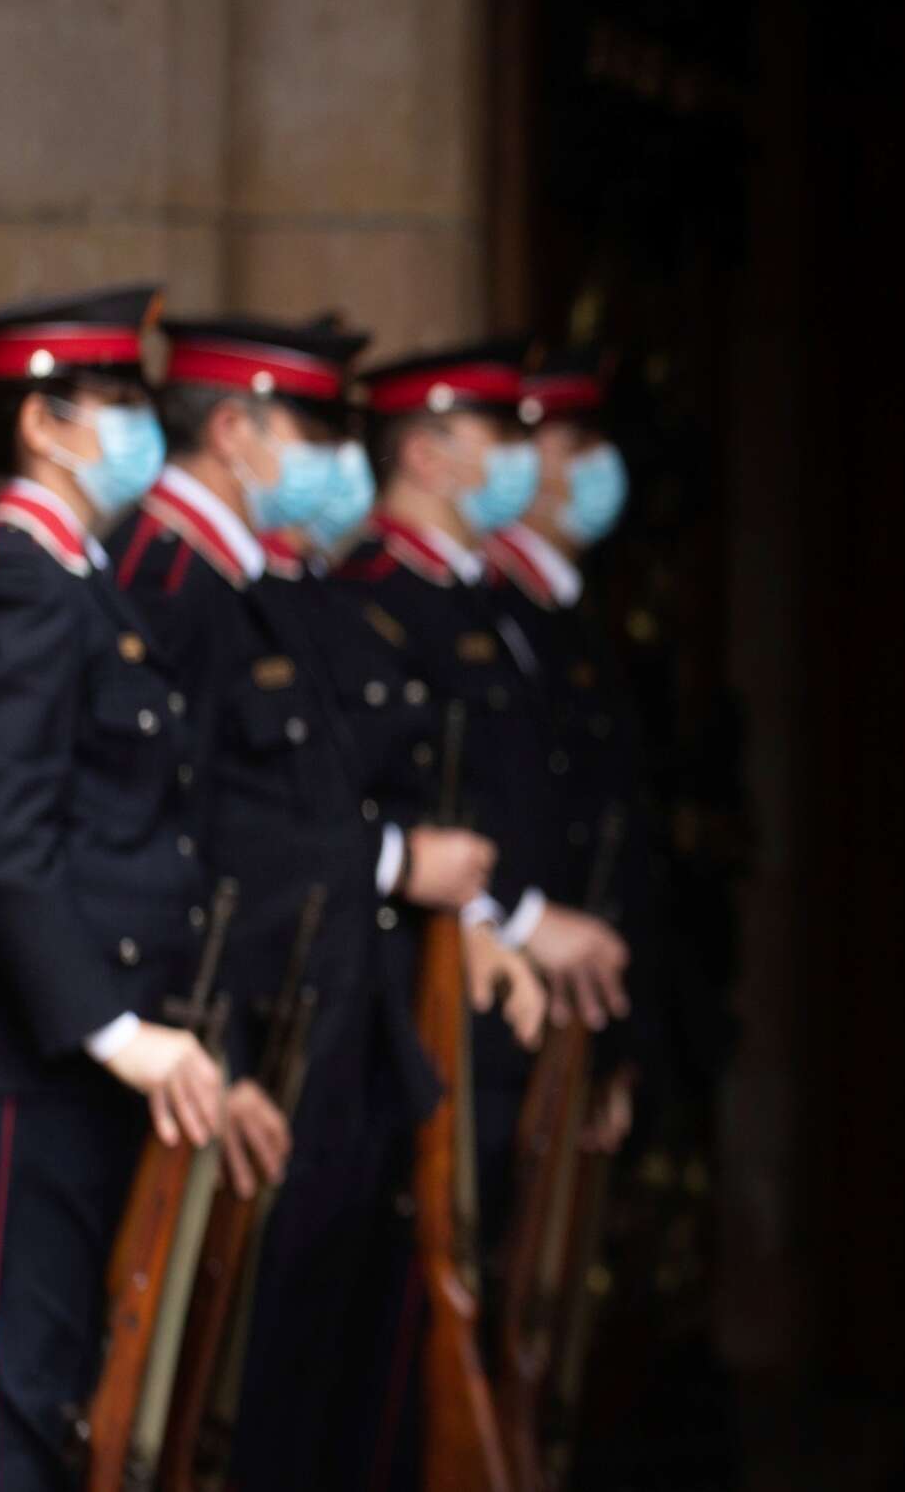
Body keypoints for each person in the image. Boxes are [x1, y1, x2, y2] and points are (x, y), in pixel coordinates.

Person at [101, 312, 516, 1491]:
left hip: (319, 1024)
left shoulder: (263, 585)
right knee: (215, 1402)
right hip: (237, 1036)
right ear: (235, 428)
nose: (344, 457)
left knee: (308, 1389)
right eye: (317, 429)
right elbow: (201, 826)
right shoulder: (165, 581)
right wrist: (390, 864)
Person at [0, 285, 230, 1492]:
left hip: (76, 1060)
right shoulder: (17, 584)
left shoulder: (75, 581)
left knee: (79, 1407)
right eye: (117, 401)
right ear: (44, 425)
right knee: (17, 1405)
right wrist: (113, 1029)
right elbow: (0, 834)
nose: (143, 424)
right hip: (25, 1064)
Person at [336, 342, 629, 1259]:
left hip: (532, 1004)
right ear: (424, 453)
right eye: (494, 433)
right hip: (443, 996)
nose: (518, 456)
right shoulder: (374, 601)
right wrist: (520, 917)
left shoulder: (496, 606)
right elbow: (386, 806)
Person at [485, 353, 656, 1149]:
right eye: (571, 442)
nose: (595, 464)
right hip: (522, 989)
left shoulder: (568, 609)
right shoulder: (493, 609)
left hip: (588, 984)